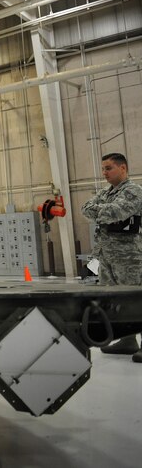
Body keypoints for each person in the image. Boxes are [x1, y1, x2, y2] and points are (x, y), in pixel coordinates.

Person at [81, 153, 142, 362]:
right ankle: (127, 339)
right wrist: (103, 211)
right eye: (103, 168)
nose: (104, 173)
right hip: (106, 256)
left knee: (136, 299)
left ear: (122, 168)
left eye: (109, 168)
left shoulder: (134, 191)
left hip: (130, 257)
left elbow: (118, 211)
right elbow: (85, 209)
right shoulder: (106, 193)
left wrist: (100, 211)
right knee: (116, 301)